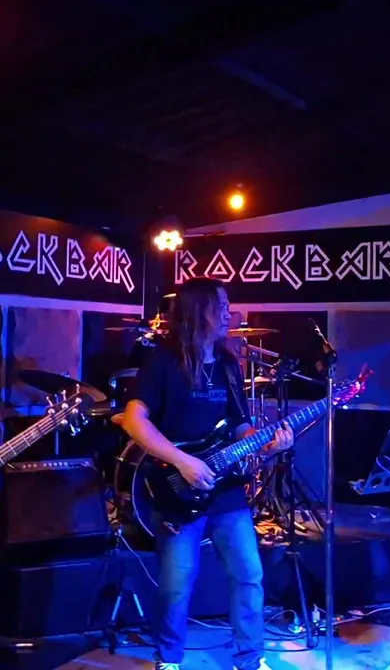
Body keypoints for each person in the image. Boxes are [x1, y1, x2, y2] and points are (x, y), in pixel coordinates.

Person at [122, 277, 293, 670]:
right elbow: (133, 420)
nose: (230, 313)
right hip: (176, 489)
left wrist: (268, 443)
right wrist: (183, 461)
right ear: (199, 310)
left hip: (226, 489)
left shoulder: (229, 364)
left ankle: (250, 659)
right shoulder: (163, 361)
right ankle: (169, 659)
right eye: (222, 305)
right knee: (176, 584)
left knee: (249, 574)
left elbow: (239, 427)